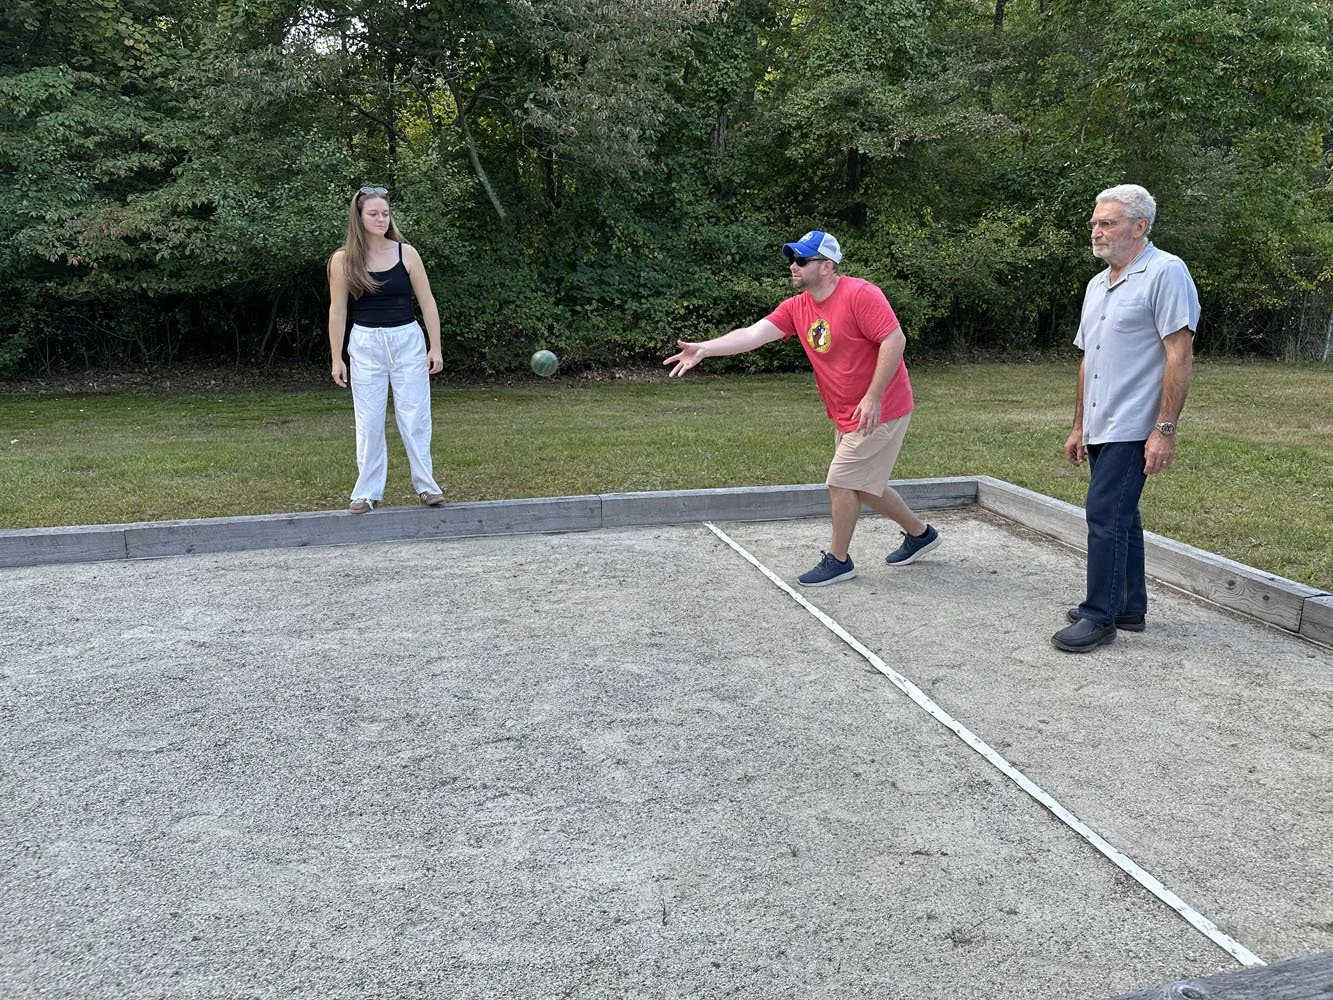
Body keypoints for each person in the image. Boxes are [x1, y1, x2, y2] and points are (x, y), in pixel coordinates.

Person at [664, 230, 941, 586]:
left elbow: (894, 339)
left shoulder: (860, 294)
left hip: (882, 406)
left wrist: (873, 395)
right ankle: (921, 535)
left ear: (827, 266)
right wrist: (706, 348)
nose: (793, 265)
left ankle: (839, 560)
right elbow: (751, 334)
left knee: (841, 480)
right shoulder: (797, 307)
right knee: (865, 486)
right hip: (847, 411)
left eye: (801, 259)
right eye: (791, 259)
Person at [1052, 184, 1199, 653]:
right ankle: (1128, 606)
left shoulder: (1165, 272)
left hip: (1135, 422)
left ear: (1139, 226)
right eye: (1095, 223)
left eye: (1107, 223)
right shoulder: (1097, 285)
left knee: (1105, 515)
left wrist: (1164, 429)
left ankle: (1099, 616)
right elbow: (1088, 359)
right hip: (1100, 420)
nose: (1096, 231)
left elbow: (1179, 355)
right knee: (1122, 515)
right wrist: (1079, 425)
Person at [327, 186, 446, 513]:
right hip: (365, 343)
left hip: (407, 340)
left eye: (385, 213)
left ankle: (427, 486)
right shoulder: (343, 260)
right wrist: (337, 357)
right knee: (368, 420)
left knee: (415, 416)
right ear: (359, 217)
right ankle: (366, 492)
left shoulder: (406, 254)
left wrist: (435, 347)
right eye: (373, 214)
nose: (381, 219)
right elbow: (337, 311)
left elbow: (428, 302)